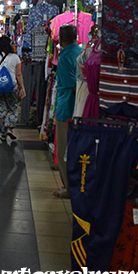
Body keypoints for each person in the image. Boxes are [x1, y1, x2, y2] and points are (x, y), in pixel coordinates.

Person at [53, 24, 83, 199]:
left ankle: (67, 187)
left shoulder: (64, 57)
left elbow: (72, 85)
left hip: (66, 109)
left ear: (61, 39)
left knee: (64, 148)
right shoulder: (81, 52)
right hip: (80, 108)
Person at [0, 36, 26, 141]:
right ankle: (9, 128)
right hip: (12, 86)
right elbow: (19, 75)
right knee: (12, 108)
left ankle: (3, 134)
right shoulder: (15, 57)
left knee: (0, 109)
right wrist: (22, 88)